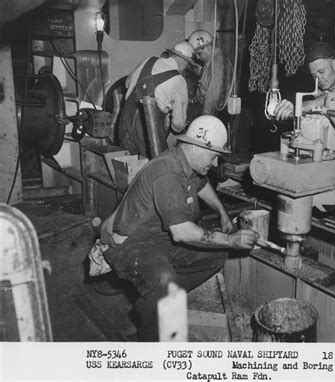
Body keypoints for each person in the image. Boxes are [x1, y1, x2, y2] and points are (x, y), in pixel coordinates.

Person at [100, 115, 260, 341]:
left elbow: (202, 186)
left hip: (159, 239)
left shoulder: (188, 163)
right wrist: (231, 240)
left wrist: (222, 213)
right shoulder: (168, 170)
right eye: (214, 156)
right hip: (130, 243)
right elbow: (181, 231)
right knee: (164, 279)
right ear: (195, 147)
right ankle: (153, 336)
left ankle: (158, 301)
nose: (215, 164)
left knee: (215, 256)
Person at [117, 41, 195, 158]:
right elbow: (178, 124)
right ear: (185, 62)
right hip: (149, 132)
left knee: (128, 168)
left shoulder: (148, 60)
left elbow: (128, 83)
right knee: (158, 169)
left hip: (125, 122)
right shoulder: (179, 81)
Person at [187, 30, 233, 117]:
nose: (197, 57)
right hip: (206, 108)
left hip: (213, 113)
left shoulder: (217, 65)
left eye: (198, 53)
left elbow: (212, 96)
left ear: (208, 47)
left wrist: (205, 119)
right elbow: (210, 80)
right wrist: (201, 73)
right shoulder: (212, 61)